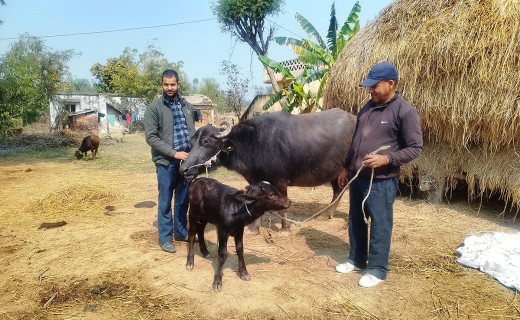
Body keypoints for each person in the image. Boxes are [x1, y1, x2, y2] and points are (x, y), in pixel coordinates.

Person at [336, 61, 423, 287]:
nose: (371, 90)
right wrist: (346, 166)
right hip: (358, 178)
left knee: (380, 224)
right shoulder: (367, 107)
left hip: (381, 182)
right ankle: (356, 259)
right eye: (369, 86)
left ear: (391, 84)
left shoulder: (405, 111)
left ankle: (377, 269)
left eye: (375, 86)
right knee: (355, 220)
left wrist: (387, 159)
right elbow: (356, 142)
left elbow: (415, 148)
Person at [145, 69, 196, 253]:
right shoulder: (154, 108)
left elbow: (192, 133)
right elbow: (151, 137)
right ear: (162, 85)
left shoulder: (187, 106)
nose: (169, 88)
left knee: (183, 200)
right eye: (166, 84)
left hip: (187, 162)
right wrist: (174, 153)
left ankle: (181, 232)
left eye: (172, 84)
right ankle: (165, 238)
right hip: (166, 163)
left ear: (178, 84)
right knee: (165, 201)